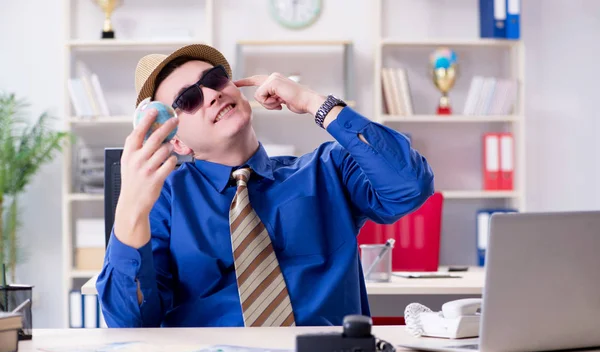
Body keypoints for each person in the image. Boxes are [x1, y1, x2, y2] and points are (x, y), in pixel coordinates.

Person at [96, 43, 435, 328]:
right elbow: (130, 321)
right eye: (188, 99)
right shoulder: (164, 200)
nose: (212, 94)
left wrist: (317, 103)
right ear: (178, 143)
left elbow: (410, 186)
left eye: (214, 79)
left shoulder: (327, 170)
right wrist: (130, 210)